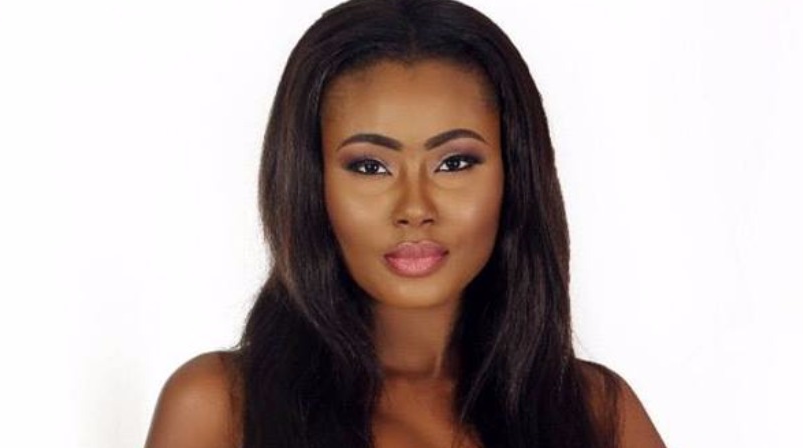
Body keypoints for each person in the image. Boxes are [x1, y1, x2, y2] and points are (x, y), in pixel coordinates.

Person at [144, 0, 666, 447]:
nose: (415, 207)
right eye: (370, 167)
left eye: (454, 163)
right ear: (311, 183)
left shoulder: (598, 414)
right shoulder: (220, 410)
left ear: (515, 175)